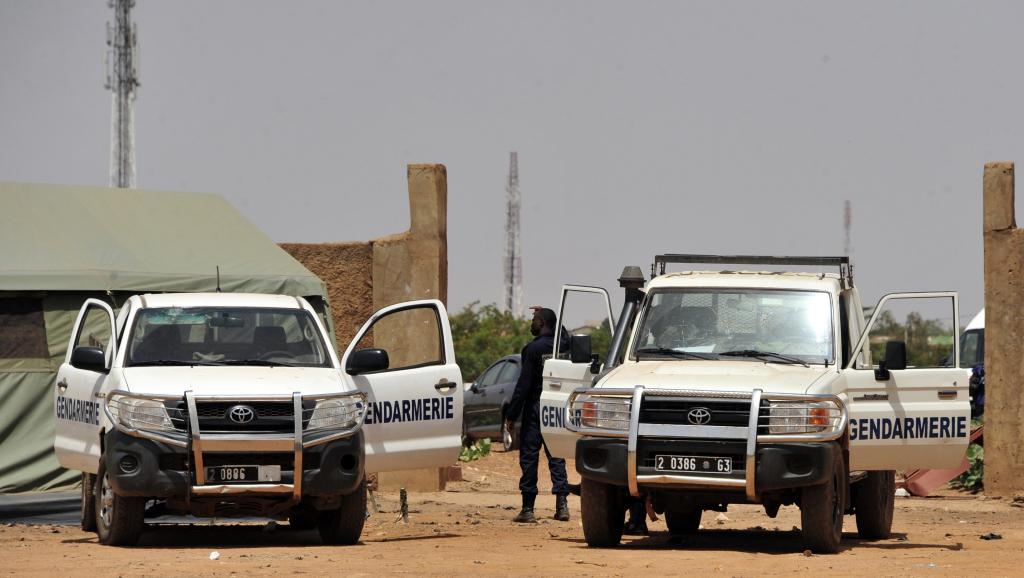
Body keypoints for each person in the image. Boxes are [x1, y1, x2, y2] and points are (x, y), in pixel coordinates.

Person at [505, 307, 571, 523]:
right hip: (556, 407)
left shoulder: (532, 349)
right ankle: (562, 506)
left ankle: (528, 509)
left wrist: (511, 415)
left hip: (535, 408)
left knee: (529, 456)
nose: (531, 323)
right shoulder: (563, 345)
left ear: (541, 323)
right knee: (557, 456)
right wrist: (553, 316)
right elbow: (565, 334)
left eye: (534, 319)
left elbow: (523, 386)